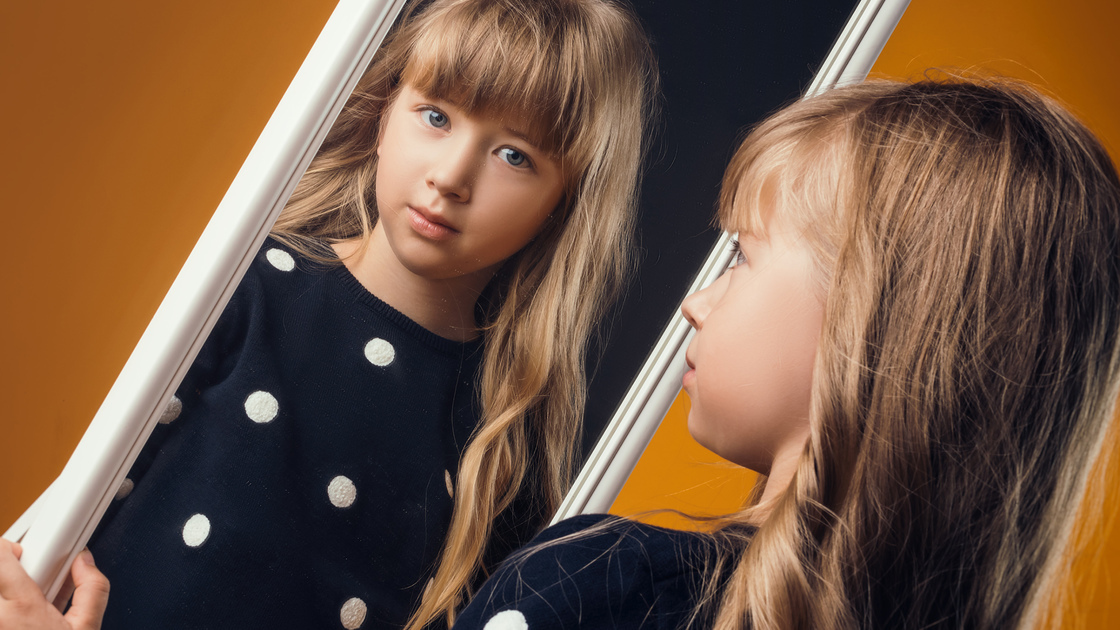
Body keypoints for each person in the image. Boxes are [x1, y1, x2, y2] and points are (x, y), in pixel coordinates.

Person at [6, 76, 1117, 629]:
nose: (698, 305)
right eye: (434, 115)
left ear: (876, 325)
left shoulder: (604, 584)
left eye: (745, 255)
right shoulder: (260, 299)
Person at [0, 1, 657, 629]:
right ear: (382, 115)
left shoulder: (503, 443)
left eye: (515, 156)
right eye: (435, 115)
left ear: (563, 205)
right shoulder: (245, 291)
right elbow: (66, 523)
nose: (451, 176)